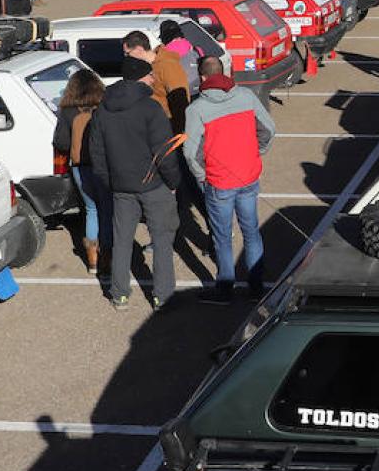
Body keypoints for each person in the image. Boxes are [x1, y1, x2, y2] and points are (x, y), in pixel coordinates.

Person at [91, 56, 185, 309]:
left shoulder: (102, 109)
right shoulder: (150, 108)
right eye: (151, 75)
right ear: (141, 77)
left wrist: (110, 182)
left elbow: (97, 154)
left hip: (121, 187)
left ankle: (119, 294)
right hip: (154, 186)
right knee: (162, 239)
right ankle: (162, 296)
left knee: (122, 240)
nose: (154, 78)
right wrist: (174, 180)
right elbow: (164, 152)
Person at [185, 55, 275, 302]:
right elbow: (268, 128)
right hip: (248, 177)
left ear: (202, 77)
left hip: (218, 183)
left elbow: (190, 152)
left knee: (222, 236)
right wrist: (256, 152)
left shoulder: (196, 109)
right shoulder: (245, 97)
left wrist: (202, 176)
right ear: (224, 72)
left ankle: (225, 288)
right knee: (251, 231)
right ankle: (256, 287)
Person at [53, 69, 110, 272]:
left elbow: (60, 141)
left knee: (91, 210)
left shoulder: (68, 110)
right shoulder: (104, 105)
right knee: (106, 209)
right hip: (103, 165)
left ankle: (92, 260)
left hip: (80, 167)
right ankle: (107, 256)